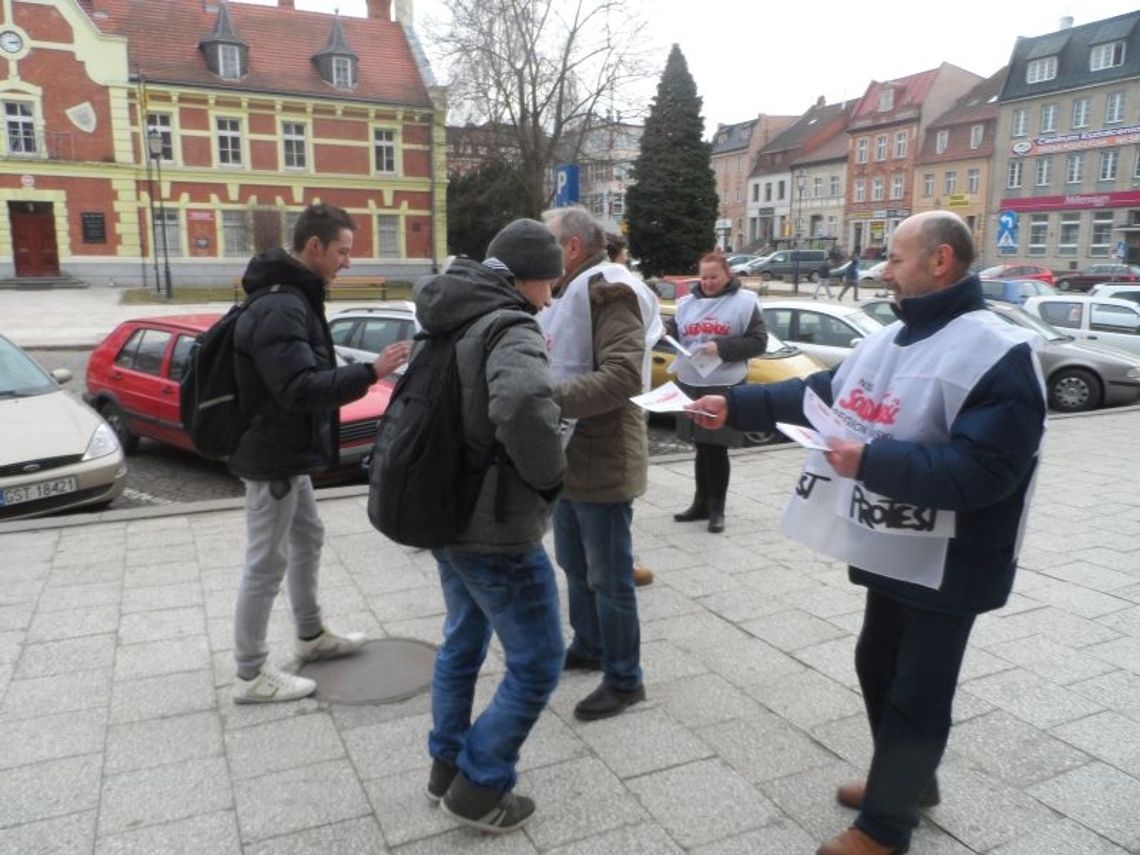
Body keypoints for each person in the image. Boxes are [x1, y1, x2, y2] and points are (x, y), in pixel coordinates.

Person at [687, 211, 1046, 855]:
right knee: (875, 660)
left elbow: (988, 472)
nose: (883, 269)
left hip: (955, 559)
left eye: (896, 258)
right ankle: (908, 781)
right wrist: (735, 405)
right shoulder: (891, 337)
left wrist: (870, 461)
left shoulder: (998, 352)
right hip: (895, 545)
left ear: (941, 262)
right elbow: (825, 393)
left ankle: (885, 829)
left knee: (917, 688)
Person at [416, 218, 567, 834]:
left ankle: (445, 763)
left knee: (463, 640)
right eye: (548, 284)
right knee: (537, 659)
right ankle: (479, 787)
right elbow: (524, 403)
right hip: (494, 526)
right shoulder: (509, 322)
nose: (551, 299)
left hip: (444, 511)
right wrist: (550, 473)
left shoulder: (450, 314)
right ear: (525, 278)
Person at [229, 203, 412, 703]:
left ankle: (310, 635)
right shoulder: (280, 306)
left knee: (308, 535)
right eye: (343, 251)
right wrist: (370, 373)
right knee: (266, 560)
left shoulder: (292, 297)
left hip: (288, 449)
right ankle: (250, 675)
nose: (347, 262)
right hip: (273, 453)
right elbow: (298, 388)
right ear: (315, 247)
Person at [538, 205, 662, 721]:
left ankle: (625, 679)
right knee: (574, 562)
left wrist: (547, 399)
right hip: (571, 455)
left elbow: (622, 377)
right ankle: (589, 646)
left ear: (570, 246)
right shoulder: (573, 290)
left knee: (610, 577)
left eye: (545, 243)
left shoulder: (608, 290)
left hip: (604, 456)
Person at [669, 251, 767, 533]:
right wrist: (663, 332)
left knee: (716, 448)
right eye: (704, 277)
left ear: (728, 275)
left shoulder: (745, 303)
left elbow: (758, 342)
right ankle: (700, 504)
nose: (709, 282)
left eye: (714, 277)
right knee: (701, 446)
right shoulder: (686, 304)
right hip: (692, 380)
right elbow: (675, 331)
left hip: (724, 383)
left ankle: (717, 509)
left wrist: (721, 347)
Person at [606, 230, 654, 586]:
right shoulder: (628, 288)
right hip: (629, 395)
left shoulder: (623, 288)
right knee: (617, 486)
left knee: (616, 486)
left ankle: (620, 558)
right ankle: (620, 559)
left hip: (626, 393)